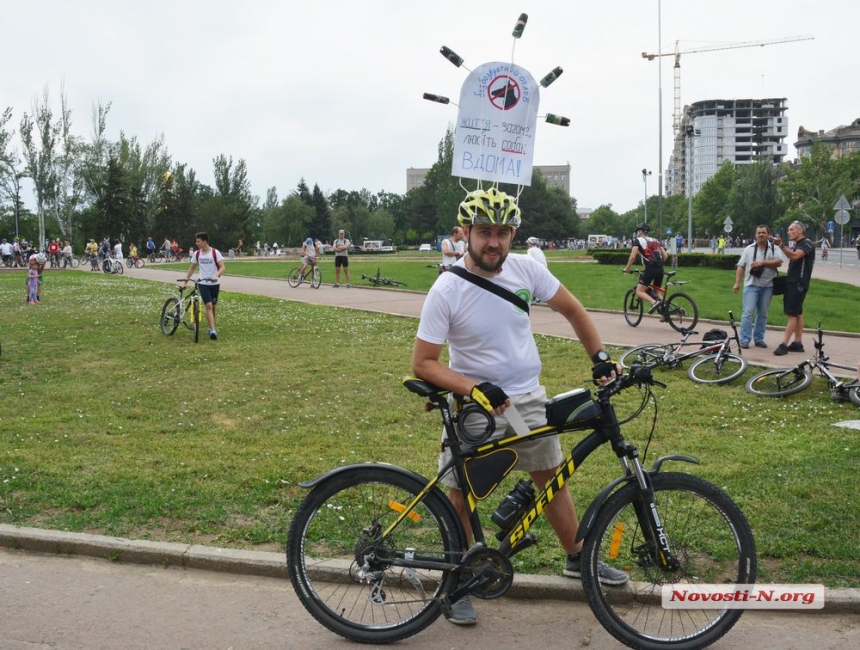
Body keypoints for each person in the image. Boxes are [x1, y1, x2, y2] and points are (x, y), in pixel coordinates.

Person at [412, 187, 627, 626]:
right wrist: (474, 388)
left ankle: (576, 557)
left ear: (513, 235)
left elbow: (573, 309)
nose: (494, 242)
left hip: (527, 400)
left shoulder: (526, 270)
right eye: (485, 232)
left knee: (550, 477)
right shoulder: (447, 288)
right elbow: (423, 363)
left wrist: (600, 357)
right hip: (477, 410)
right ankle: (457, 581)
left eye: (503, 233)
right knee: (461, 491)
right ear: (467, 234)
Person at [732, 225, 786, 349]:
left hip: (768, 286)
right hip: (751, 285)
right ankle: (744, 339)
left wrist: (762, 263)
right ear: (755, 235)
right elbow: (741, 266)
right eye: (759, 233)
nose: (761, 235)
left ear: (768, 234)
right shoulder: (748, 249)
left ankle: (759, 339)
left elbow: (779, 262)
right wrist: (737, 283)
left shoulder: (774, 248)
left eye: (763, 232)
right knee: (748, 312)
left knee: (763, 313)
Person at [772, 221, 815, 356]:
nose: (788, 232)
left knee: (791, 314)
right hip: (794, 282)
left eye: (791, 229)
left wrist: (781, 245)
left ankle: (784, 344)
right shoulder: (798, 244)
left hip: (798, 284)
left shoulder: (806, 243)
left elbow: (796, 256)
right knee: (797, 313)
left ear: (800, 231)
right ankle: (797, 342)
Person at [181, 232, 224, 340]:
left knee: (213, 306)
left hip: (214, 284)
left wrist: (216, 275)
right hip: (203, 283)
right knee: (208, 305)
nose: (196, 243)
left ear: (204, 241)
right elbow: (192, 268)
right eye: (196, 241)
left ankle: (211, 326)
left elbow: (222, 267)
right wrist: (185, 281)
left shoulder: (215, 252)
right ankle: (213, 331)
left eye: (198, 241)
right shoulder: (197, 254)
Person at [622, 223, 667, 314]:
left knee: (639, 291)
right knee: (657, 293)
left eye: (637, 231)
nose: (636, 233)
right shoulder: (655, 240)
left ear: (640, 231)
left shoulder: (638, 241)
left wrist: (627, 269)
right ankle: (666, 311)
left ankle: (654, 302)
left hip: (650, 268)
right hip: (660, 269)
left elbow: (632, 257)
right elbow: (665, 256)